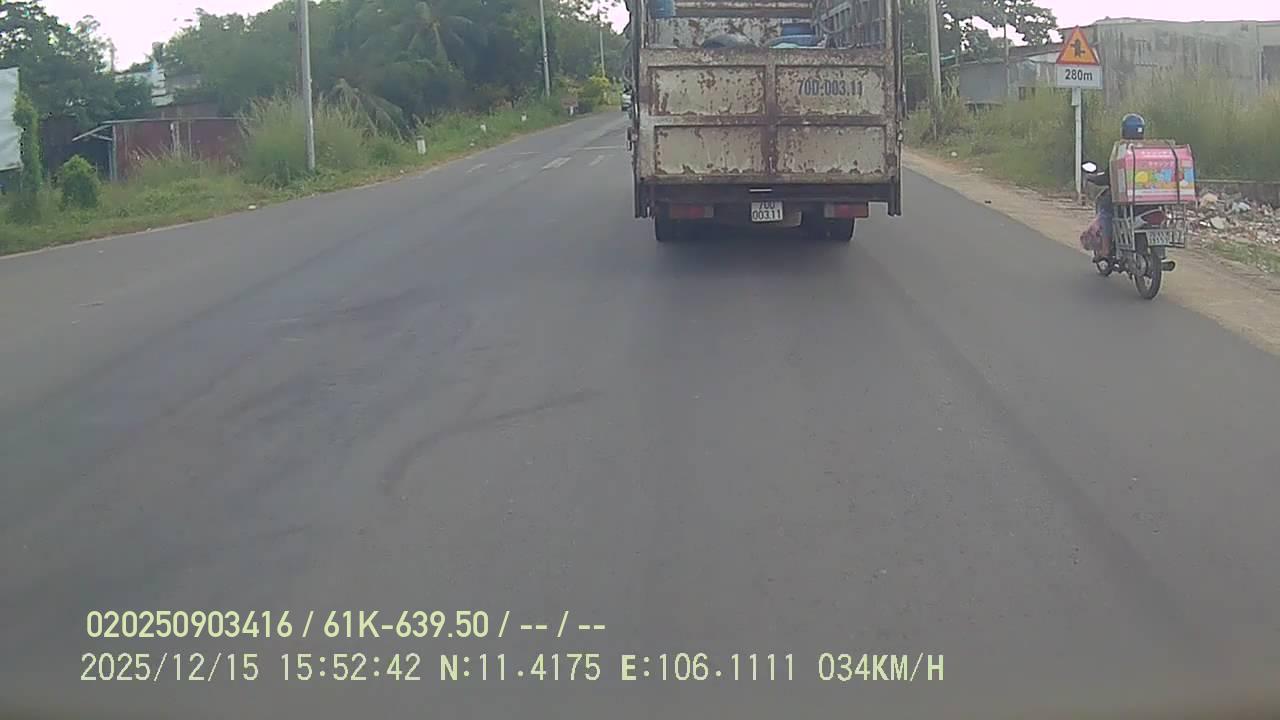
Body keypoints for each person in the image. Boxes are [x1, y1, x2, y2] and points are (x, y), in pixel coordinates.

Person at [1084, 113, 1146, 261]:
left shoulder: (1121, 152)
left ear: (1124, 130)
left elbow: (1108, 177)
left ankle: (1105, 249)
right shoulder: (1149, 150)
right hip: (1150, 201)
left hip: (1127, 201)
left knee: (1105, 210)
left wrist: (1091, 178)